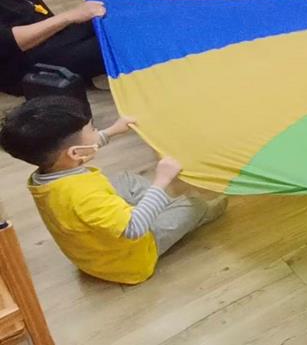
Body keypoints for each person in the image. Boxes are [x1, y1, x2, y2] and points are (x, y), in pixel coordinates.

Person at [0, 96, 227, 285]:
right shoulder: (84, 196)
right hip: (129, 261)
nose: (96, 131)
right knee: (193, 205)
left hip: (94, 252)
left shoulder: (45, 175)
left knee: (125, 179)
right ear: (75, 153)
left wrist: (111, 131)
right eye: (92, 129)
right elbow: (134, 229)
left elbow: (81, 149)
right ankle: (202, 213)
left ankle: (156, 208)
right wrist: (162, 180)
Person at [0, 0, 105, 95]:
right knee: (111, 43)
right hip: (21, 65)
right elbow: (9, 41)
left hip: (50, 33)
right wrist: (69, 16)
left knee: (107, 18)